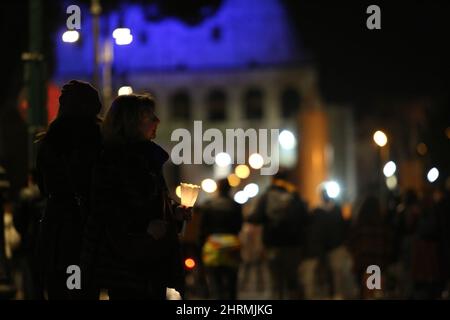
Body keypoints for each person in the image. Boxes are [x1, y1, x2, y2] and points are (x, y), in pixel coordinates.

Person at [83, 94, 191, 300]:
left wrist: (174, 212)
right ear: (131, 122)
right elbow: (106, 210)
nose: (157, 121)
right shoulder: (113, 161)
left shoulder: (148, 159)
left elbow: (155, 201)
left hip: (151, 260)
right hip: (128, 264)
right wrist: (144, 231)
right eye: (148, 116)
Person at [35, 80, 103, 299]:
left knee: (62, 288)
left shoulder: (50, 141)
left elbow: (44, 187)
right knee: (82, 289)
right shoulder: (97, 140)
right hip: (85, 231)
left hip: (56, 231)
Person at [247, 169, 308, 299]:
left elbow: (255, 218)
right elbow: (305, 218)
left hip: (272, 243)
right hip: (293, 245)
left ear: (273, 179)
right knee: (292, 280)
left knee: (275, 281)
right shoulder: (294, 195)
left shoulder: (267, 196)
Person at [198, 178, 242, 300]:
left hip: (213, 245)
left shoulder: (208, 205)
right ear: (230, 188)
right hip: (232, 245)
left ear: (218, 188)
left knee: (215, 281)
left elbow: (202, 229)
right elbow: (239, 226)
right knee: (232, 283)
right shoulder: (236, 206)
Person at [13, 169, 46, 299]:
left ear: (30, 179)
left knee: (31, 280)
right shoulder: (50, 195)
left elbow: (18, 221)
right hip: (46, 241)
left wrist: (24, 233)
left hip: (30, 242)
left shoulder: (25, 196)